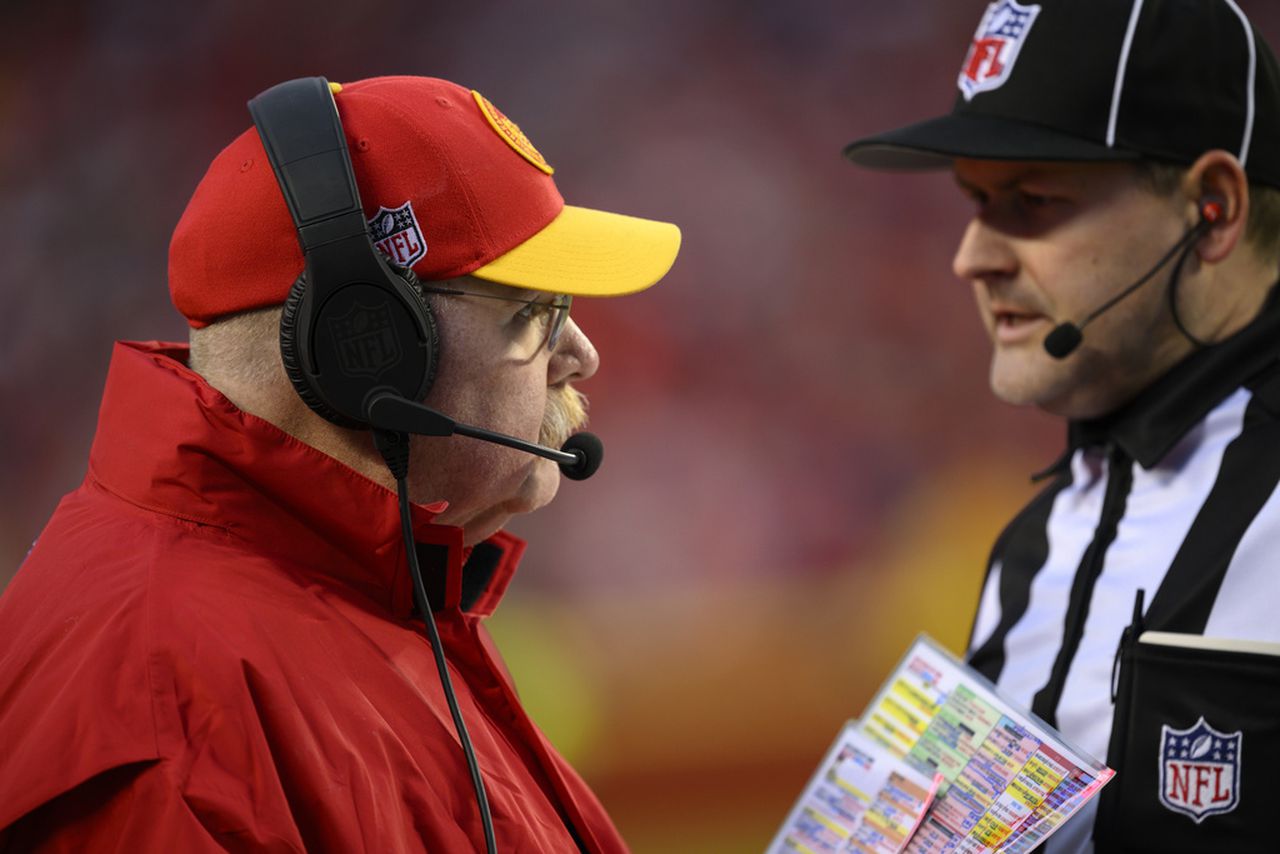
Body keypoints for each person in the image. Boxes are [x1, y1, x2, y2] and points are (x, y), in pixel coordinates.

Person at [0, 74, 680, 852]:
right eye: (534, 310)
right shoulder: (174, 723)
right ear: (369, 348)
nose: (581, 356)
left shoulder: (373, 586)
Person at [845, 1, 1280, 851]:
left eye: (1032, 198)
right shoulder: (1033, 547)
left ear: (1214, 209)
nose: (972, 256)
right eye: (975, 199)